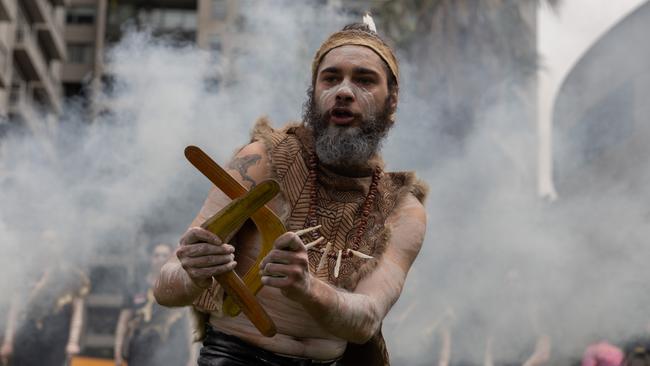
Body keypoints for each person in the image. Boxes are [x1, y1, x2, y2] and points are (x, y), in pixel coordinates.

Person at [154, 19, 428, 366]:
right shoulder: (263, 161)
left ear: (392, 99)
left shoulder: (402, 210)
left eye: (364, 79)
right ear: (314, 92)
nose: (344, 91)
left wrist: (307, 287)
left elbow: (367, 318)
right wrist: (192, 273)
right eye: (331, 78)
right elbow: (166, 287)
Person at [0, 230, 89, 366]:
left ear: (60, 245)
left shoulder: (72, 276)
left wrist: (73, 342)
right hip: (27, 334)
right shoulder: (27, 273)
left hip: (56, 335)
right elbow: (15, 309)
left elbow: (77, 312)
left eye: (52, 242)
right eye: (45, 242)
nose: (48, 246)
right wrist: (8, 341)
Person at [114, 243, 193, 366]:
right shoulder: (135, 286)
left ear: (171, 258)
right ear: (151, 258)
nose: (160, 259)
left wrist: (193, 358)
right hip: (140, 352)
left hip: (172, 353)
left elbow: (190, 324)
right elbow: (123, 322)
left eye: (165, 255)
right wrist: (117, 353)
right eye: (157, 255)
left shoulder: (181, 287)